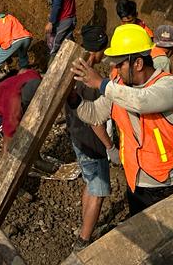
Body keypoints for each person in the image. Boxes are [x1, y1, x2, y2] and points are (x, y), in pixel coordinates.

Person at [72, 24, 173, 216]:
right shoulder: (118, 88)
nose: (116, 69)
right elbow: (94, 114)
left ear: (137, 63)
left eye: (120, 64)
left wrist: (101, 84)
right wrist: (73, 100)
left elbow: (141, 101)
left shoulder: (169, 85)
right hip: (139, 185)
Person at [66, 26, 115, 252]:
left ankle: (82, 227)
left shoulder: (69, 72)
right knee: (99, 191)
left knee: (89, 183)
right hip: (93, 145)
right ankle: (83, 240)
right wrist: (109, 146)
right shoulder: (91, 83)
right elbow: (96, 122)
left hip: (77, 138)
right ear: (95, 52)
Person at [0, 6, 33, 102]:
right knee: (23, 58)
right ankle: (27, 82)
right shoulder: (8, 17)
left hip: (13, 42)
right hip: (26, 38)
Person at [0, 68, 42, 152]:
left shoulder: (34, 76)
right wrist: (5, 160)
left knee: (29, 127)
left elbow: (22, 70)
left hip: (9, 90)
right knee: (13, 139)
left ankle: (36, 158)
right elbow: (8, 132)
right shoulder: (13, 103)